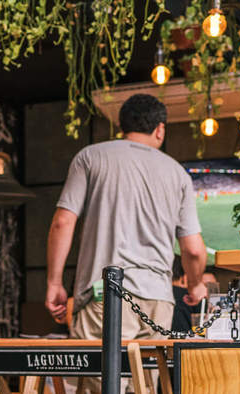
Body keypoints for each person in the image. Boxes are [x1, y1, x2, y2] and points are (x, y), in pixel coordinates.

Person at [46, 93, 210, 340]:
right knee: (144, 379)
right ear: (160, 130)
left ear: (122, 126)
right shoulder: (178, 174)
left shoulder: (91, 157)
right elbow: (194, 250)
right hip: (158, 301)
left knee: (103, 378)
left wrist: (54, 283)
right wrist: (196, 284)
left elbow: (62, 222)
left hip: (104, 294)